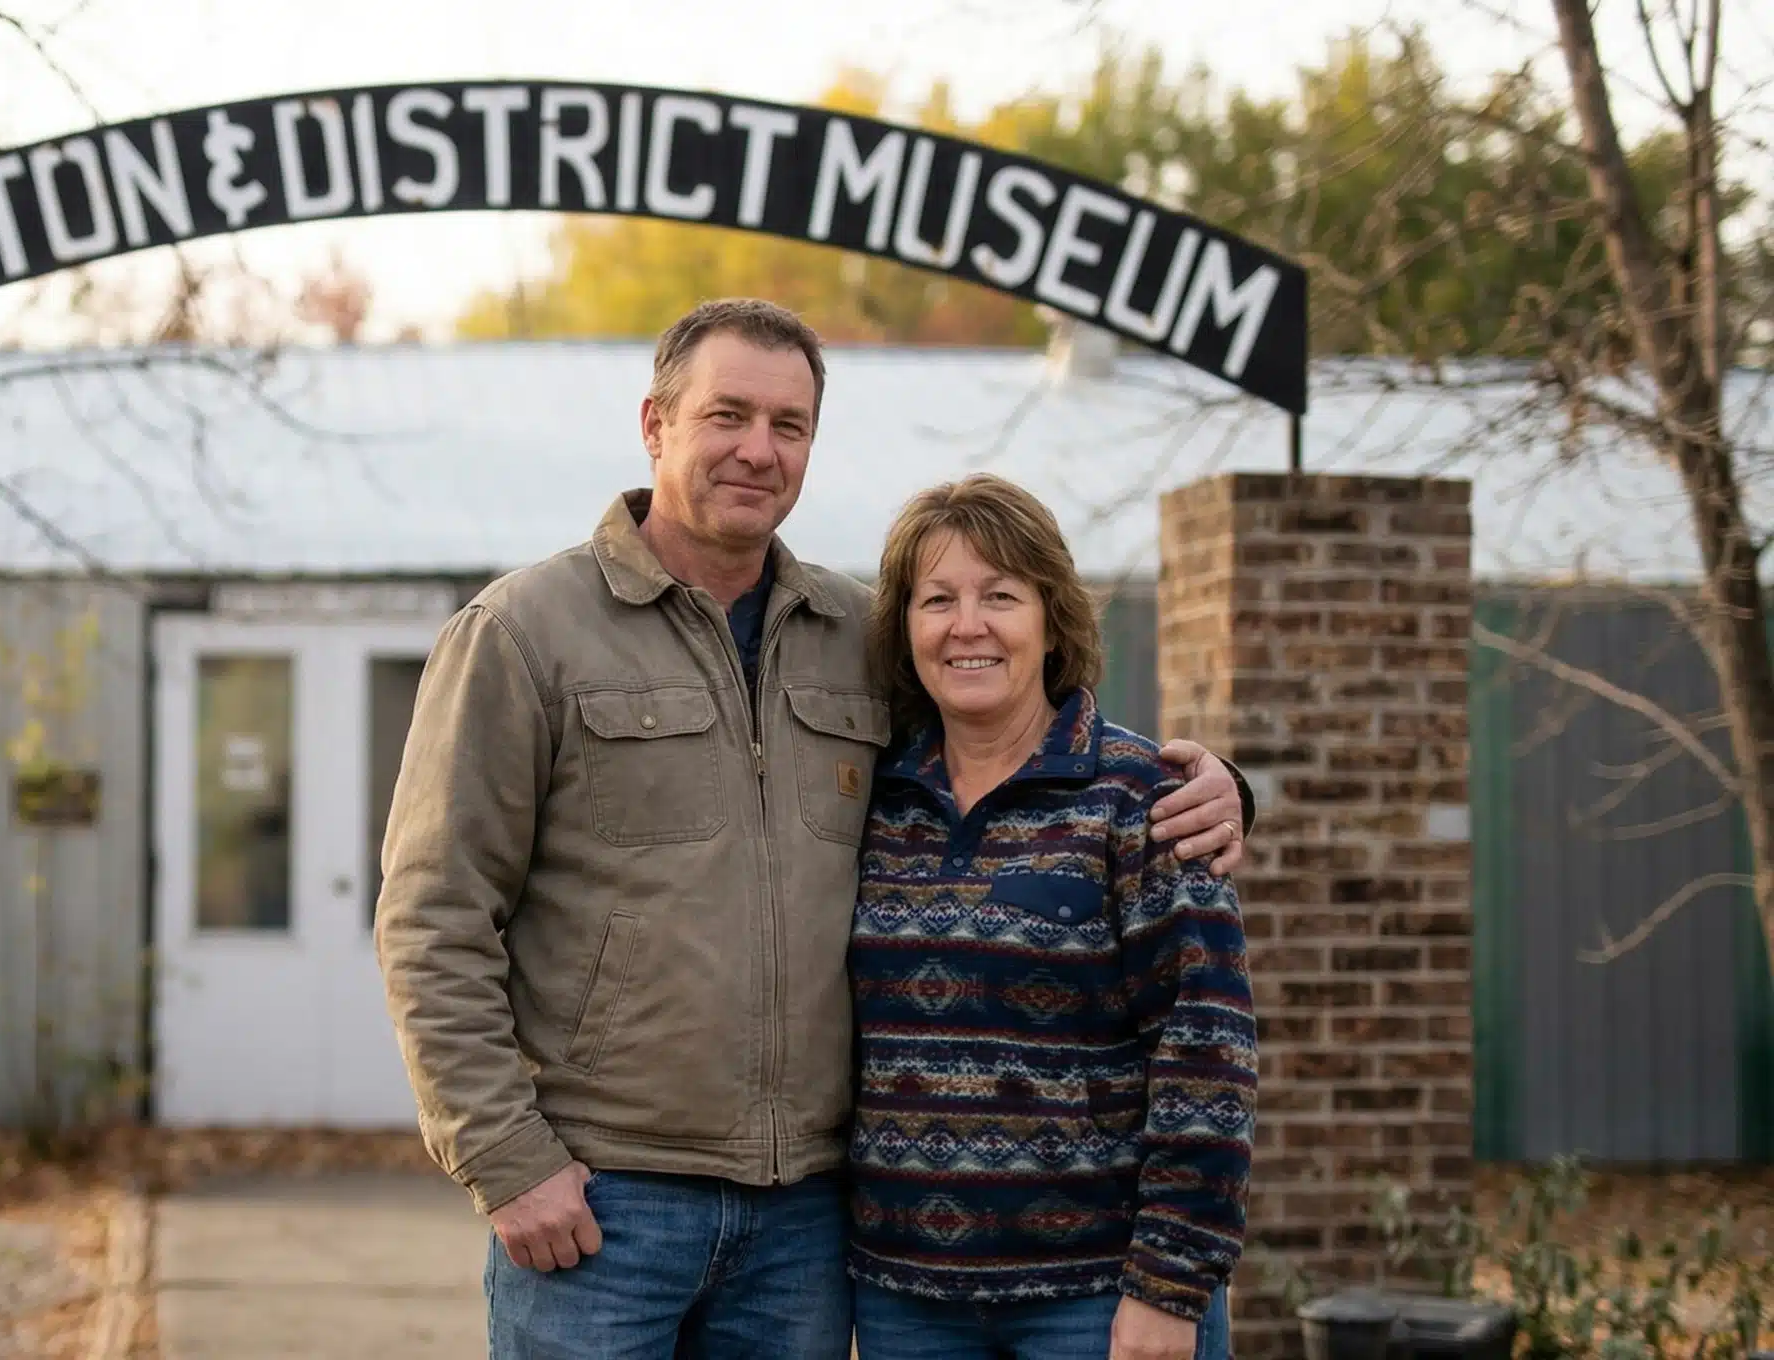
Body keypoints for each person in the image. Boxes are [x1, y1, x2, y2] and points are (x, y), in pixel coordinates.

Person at [373, 298, 1252, 1359]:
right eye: (727, 415)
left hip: (806, 1221)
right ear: (655, 425)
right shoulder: (522, 635)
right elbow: (432, 919)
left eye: (788, 425)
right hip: (604, 1205)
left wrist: (1222, 785)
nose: (758, 448)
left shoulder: (857, 635)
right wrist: (505, 1156)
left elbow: (1019, 736)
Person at [845, 474, 1257, 1360]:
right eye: (938, 599)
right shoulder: (871, 802)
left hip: (1098, 1299)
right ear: (903, 627)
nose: (968, 625)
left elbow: (1207, 1054)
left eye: (1001, 595)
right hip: (905, 1300)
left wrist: (1170, 1288)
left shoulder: (1143, 800)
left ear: (1051, 615)